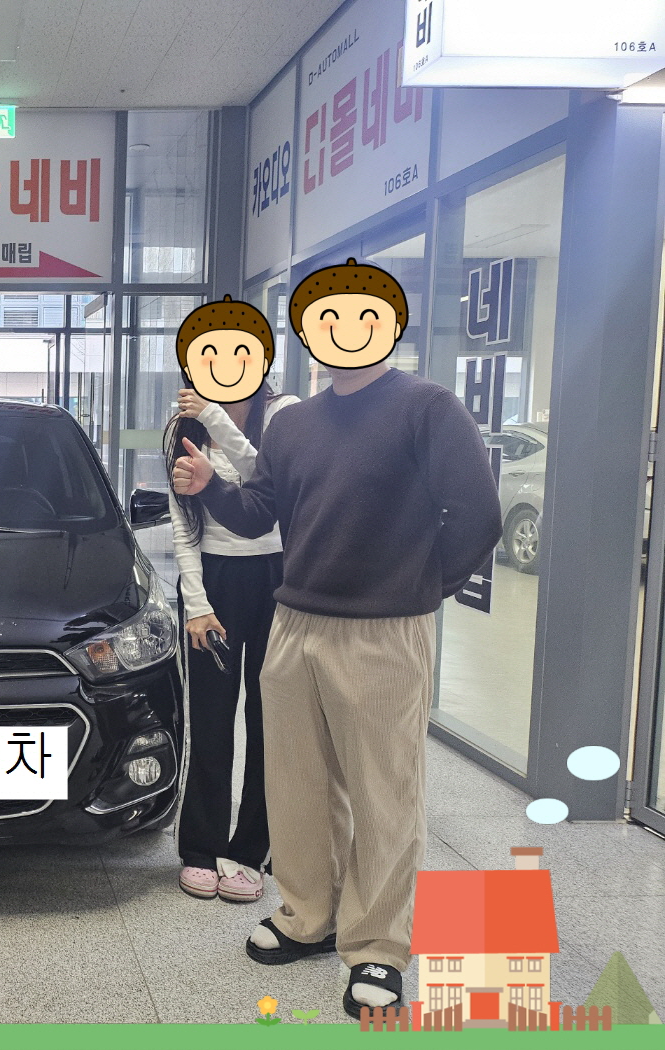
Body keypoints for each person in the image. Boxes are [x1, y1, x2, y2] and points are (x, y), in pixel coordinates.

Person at [171, 260, 501, 1018]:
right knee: (297, 782)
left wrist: (418, 589)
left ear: (392, 325)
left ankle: (377, 945)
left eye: (363, 316)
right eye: (327, 318)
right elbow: (261, 512)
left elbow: (477, 516)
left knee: (384, 791)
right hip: (295, 621)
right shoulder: (294, 424)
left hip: (384, 630)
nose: (345, 330)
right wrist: (211, 488)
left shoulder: (428, 408)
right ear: (305, 331)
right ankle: (308, 916)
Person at [164, 296, 298, 904]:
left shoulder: (284, 414)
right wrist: (195, 603)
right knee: (212, 718)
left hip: (276, 579)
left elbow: (267, 486)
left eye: (238, 351)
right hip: (213, 581)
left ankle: (251, 851)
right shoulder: (182, 426)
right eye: (207, 354)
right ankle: (200, 847)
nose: (223, 363)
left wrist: (218, 418)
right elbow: (182, 523)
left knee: (270, 721)